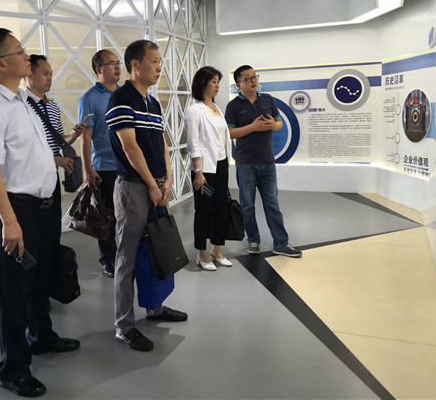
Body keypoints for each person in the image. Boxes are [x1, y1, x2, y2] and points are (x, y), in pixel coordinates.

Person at [0, 28, 80, 398]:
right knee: (14, 291)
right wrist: (10, 222)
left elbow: (30, 153)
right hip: (17, 210)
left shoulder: (21, 100)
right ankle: (13, 369)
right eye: (20, 51)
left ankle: (42, 336)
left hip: (43, 207)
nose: (27, 56)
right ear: (2, 63)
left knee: (39, 281)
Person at [106, 39, 188, 352]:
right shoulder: (121, 99)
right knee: (127, 258)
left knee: (156, 248)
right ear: (135, 65)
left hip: (155, 186)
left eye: (160, 61)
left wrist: (167, 180)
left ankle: (155, 307)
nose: (159, 67)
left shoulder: (152, 103)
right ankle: (124, 326)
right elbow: (130, 147)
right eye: (154, 61)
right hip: (133, 189)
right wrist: (153, 185)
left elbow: (162, 144)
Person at [224, 65, 302, 258]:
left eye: (254, 76)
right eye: (248, 78)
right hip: (245, 163)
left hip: (268, 162)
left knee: (272, 204)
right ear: (238, 84)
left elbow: (279, 123)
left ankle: (281, 243)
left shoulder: (267, 99)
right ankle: (253, 241)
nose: (253, 80)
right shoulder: (233, 106)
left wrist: (273, 125)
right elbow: (230, 133)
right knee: (248, 205)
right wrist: (253, 127)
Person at [77, 49, 121, 278]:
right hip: (104, 166)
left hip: (128, 165)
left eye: (118, 62)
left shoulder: (125, 94)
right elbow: (85, 137)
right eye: (111, 63)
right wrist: (88, 169)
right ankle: (108, 259)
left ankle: (127, 255)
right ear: (99, 69)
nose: (117, 66)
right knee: (107, 217)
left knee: (129, 215)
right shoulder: (89, 99)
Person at [25, 54, 85, 220]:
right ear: (29, 75)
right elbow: (24, 148)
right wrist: (53, 160)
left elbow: (60, 140)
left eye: (51, 74)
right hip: (30, 177)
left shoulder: (52, 106)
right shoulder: (20, 105)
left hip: (52, 175)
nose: (50, 78)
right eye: (45, 74)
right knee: (34, 223)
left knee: (52, 223)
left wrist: (75, 134)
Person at [185, 66, 233, 271]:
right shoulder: (194, 110)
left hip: (220, 165)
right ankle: (201, 252)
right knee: (203, 210)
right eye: (213, 81)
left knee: (220, 208)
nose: (217, 85)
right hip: (205, 170)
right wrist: (198, 172)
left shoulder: (216, 108)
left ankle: (216, 250)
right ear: (203, 83)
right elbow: (193, 142)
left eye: (218, 81)